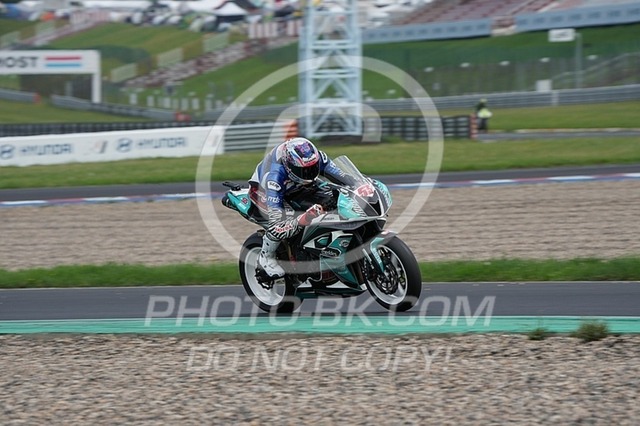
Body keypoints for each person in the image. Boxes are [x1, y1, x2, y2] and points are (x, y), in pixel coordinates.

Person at [248, 137, 351, 278]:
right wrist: (304, 219)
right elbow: (276, 225)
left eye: (313, 168)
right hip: (264, 192)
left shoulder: (316, 157)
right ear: (290, 167)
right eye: (304, 170)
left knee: (333, 196)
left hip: (296, 185)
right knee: (286, 220)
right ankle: (266, 257)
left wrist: (362, 185)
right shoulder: (275, 177)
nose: (310, 172)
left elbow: (343, 177)